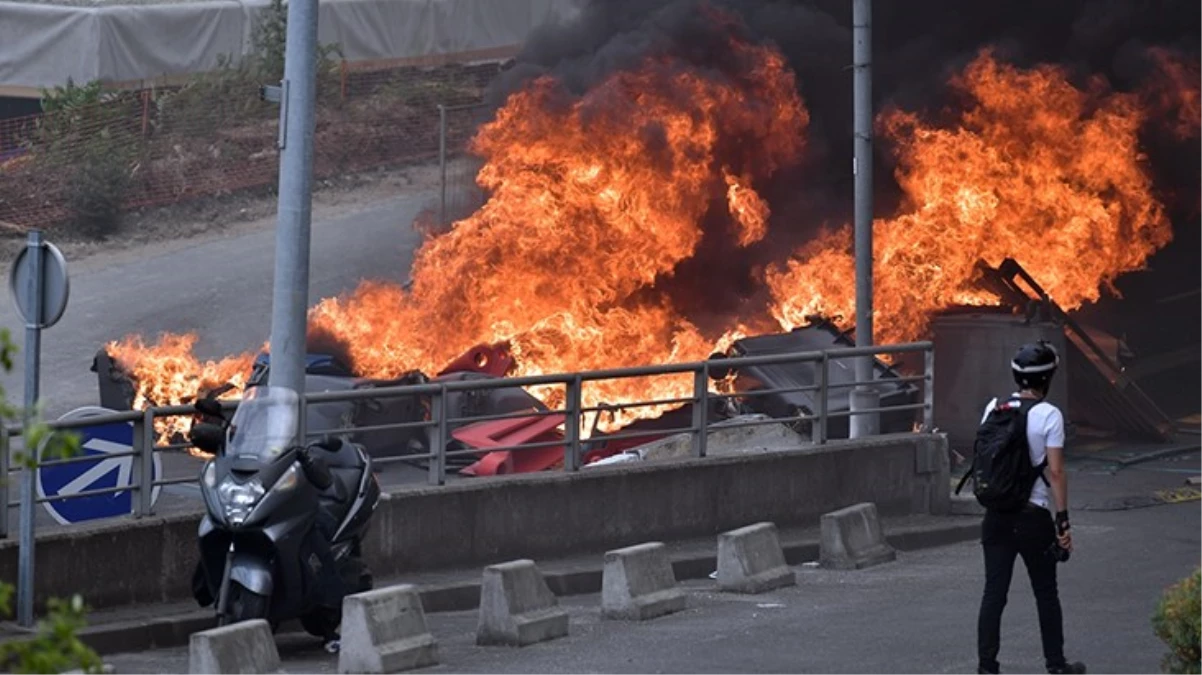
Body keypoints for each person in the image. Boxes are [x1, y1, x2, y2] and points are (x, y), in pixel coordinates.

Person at [976, 341, 1086, 675]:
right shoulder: (1048, 414)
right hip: (1031, 517)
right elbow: (1055, 472)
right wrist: (1063, 520)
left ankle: (987, 668)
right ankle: (1055, 665)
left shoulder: (994, 407)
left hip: (995, 517)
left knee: (994, 593)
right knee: (1045, 593)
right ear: (1047, 378)